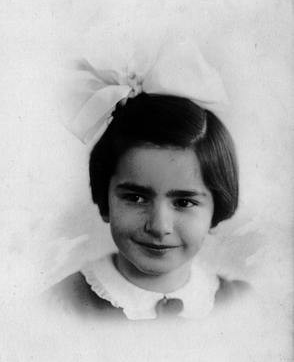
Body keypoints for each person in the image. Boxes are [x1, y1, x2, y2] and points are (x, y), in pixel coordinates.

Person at [49, 83, 250, 321]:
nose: (159, 226)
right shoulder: (60, 307)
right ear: (105, 200)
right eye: (135, 198)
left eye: (184, 202)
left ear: (216, 207)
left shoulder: (242, 305)